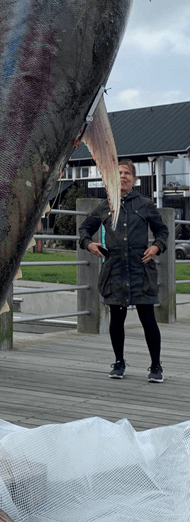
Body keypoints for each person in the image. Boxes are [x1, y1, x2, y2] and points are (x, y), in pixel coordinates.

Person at [78, 159, 169, 383]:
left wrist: (157, 246)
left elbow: (162, 231)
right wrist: (89, 244)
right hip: (115, 269)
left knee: (148, 318)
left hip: (141, 270)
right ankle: (119, 362)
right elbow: (84, 230)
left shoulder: (146, 204)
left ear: (135, 179)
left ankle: (156, 366)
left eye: (127, 173)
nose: (123, 177)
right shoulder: (104, 205)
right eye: (118, 173)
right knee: (116, 319)